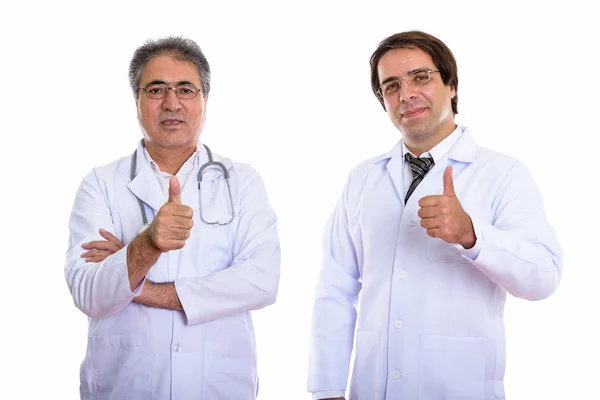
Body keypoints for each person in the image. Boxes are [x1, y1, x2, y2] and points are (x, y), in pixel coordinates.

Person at [307, 30, 563, 400]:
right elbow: (335, 288)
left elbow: (544, 276)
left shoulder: (502, 173)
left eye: (420, 77)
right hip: (373, 387)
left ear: (452, 85)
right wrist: (327, 389)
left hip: (458, 387)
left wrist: (472, 235)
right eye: (390, 85)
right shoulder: (362, 178)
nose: (406, 94)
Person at [64, 36, 280, 399]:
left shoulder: (241, 182)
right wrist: (147, 244)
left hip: (218, 387)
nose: (171, 103)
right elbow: (89, 294)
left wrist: (136, 283)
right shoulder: (100, 184)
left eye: (185, 89)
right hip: (125, 386)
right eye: (156, 89)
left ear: (205, 101)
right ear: (136, 100)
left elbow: (261, 282)